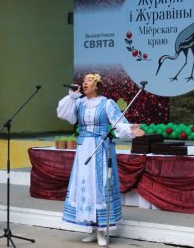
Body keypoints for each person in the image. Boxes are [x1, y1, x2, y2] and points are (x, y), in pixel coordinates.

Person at [57, 73, 145, 246]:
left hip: (100, 147)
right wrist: (72, 96)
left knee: (99, 186)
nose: (85, 83)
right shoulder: (79, 102)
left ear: (97, 85)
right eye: (84, 81)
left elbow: (117, 123)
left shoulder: (106, 103)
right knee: (85, 185)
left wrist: (129, 129)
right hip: (84, 148)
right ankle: (90, 227)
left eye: (89, 80)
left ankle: (103, 230)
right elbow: (63, 113)